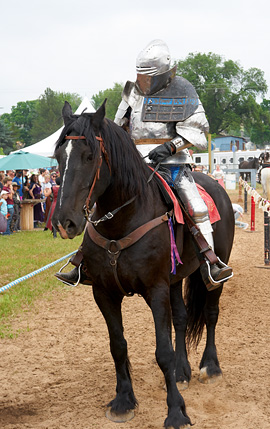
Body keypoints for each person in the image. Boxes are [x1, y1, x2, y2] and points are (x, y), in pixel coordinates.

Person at [55, 40, 232, 290]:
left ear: (165, 74)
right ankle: (83, 260)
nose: (143, 81)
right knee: (101, 202)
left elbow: (199, 133)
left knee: (195, 204)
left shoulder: (184, 90)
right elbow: (117, 127)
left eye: (148, 76)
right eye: (140, 75)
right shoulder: (132, 92)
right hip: (135, 163)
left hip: (172, 164)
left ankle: (210, 262)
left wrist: (170, 146)